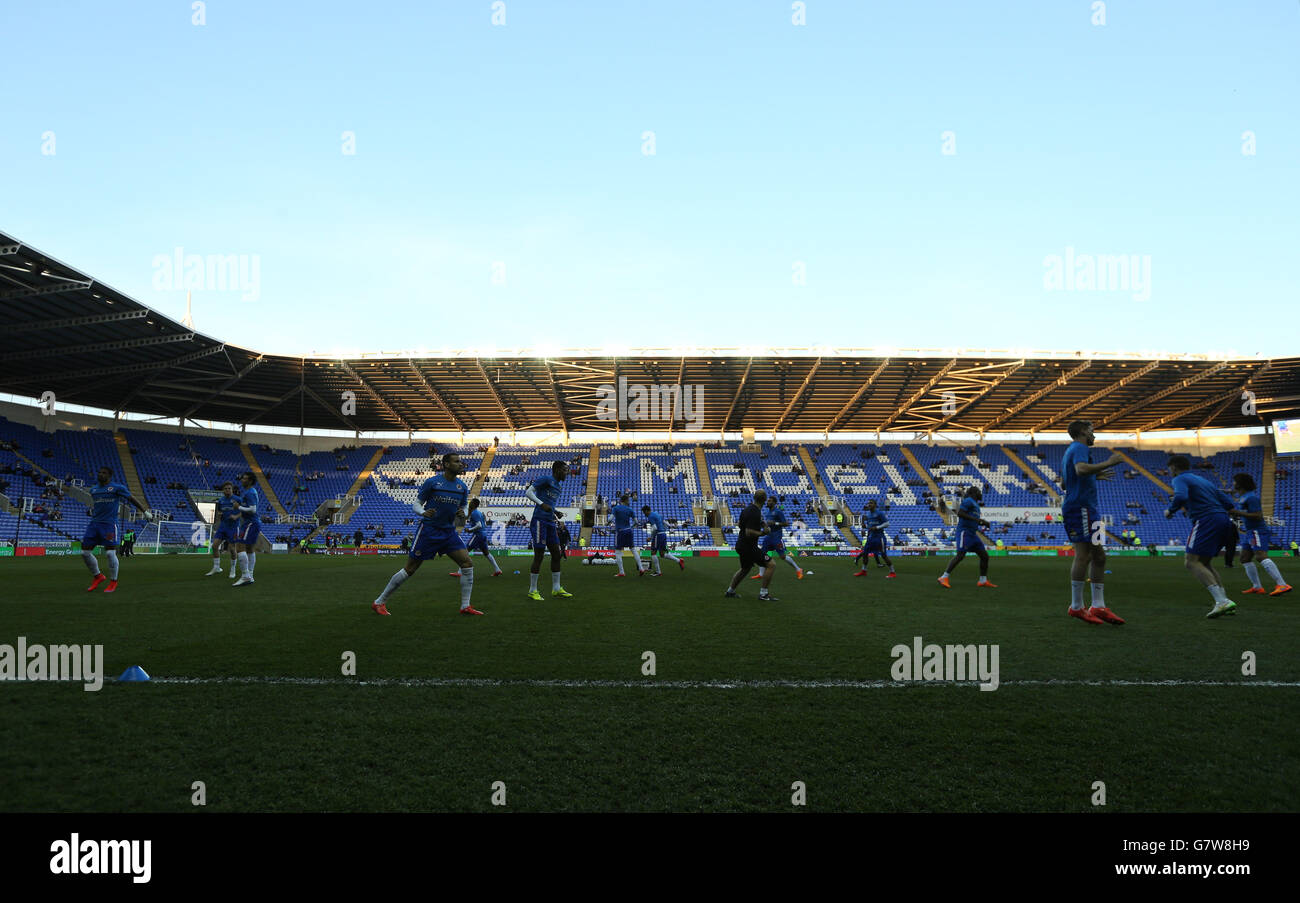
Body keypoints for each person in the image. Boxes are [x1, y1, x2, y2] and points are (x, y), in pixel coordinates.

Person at [371, 453, 483, 616]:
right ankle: (379, 602)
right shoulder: (432, 482)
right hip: (429, 531)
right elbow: (416, 504)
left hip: (448, 532)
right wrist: (423, 512)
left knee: (466, 563)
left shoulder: (462, 487)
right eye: (456, 461)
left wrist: (463, 512)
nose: (461, 464)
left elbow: (465, 506)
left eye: (460, 461)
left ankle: (465, 606)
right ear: (446, 464)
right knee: (410, 569)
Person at [1060, 419, 1125, 625]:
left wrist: (1094, 476)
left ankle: (1098, 606)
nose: (1094, 435)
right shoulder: (1079, 447)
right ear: (1082, 432)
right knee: (1084, 554)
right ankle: (1077, 607)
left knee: (1099, 555)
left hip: (1089, 509)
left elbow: (1065, 482)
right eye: (1092, 431)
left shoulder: (1071, 450)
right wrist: (1108, 462)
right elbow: (1080, 470)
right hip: (1081, 508)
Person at [1165, 455, 1239, 618]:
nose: (1170, 472)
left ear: (1174, 468)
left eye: (1170, 469)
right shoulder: (1204, 480)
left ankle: (1222, 602)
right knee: (1204, 562)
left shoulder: (1179, 479)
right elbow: (1228, 503)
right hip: (1223, 520)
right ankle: (1225, 600)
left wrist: (1170, 510)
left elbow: (1181, 496)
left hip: (1206, 519)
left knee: (1191, 562)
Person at [79, 467, 152, 593]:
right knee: (85, 553)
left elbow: (131, 498)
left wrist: (144, 511)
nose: (101, 474)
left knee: (110, 553)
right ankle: (98, 576)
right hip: (94, 524)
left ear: (110, 476)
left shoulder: (117, 488)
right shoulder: (94, 490)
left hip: (109, 525)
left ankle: (113, 581)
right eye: (99, 472)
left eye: (104, 473)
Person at [1230, 473, 1291, 596]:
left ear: (1241, 484)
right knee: (1244, 558)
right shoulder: (1244, 497)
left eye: (1235, 481)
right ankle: (1257, 587)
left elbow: (1258, 515)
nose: (1233, 483)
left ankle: (1282, 584)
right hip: (1250, 531)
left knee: (1260, 556)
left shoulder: (1251, 498)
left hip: (1257, 530)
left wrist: (1238, 512)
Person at [524, 460, 572, 600]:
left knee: (556, 555)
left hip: (550, 521)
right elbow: (528, 492)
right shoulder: (546, 479)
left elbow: (549, 504)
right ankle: (533, 590)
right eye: (565, 470)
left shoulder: (558, 486)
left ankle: (556, 588)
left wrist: (555, 511)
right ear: (557, 470)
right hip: (539, 520)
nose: (567, 473)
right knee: (539, 555)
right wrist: (541, 503)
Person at [725, 490, 778, 601]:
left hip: (741, 544)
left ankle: (730, 591)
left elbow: (741, 524)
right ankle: (763, 594)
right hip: (748, 546)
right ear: (764, 499)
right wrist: (763, 533)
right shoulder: (755, 512)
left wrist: (762, 523)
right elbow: (749, 532)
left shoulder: (748, 509)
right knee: (771, 564)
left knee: (745, 569)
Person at [937, 487, 995, 588]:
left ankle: (983, 580)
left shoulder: (975, 504)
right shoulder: (969, 501)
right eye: (979, 492)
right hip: (965, 532)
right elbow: (960, 513)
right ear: (974, 493)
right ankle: (944, 577)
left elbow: (973, 518)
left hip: (973, 534)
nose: (981, 494)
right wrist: (979, 520)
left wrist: (981, 521)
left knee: (984, 556)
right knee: (960, 555)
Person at [752, 496, 804, 579]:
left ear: (774, 503)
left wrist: (775, 523)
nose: (767, 502)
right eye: (768, 501)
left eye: (770, 501)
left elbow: (786, 523)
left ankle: (798, 569)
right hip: (768, 537)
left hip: (777, 537)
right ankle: (761, 574)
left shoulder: (778, 512)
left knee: (782, 556)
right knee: (761, 555)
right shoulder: (767, 512)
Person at [449, 497, 503, 578]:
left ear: (474, 504)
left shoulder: (474, 513)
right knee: (486, 553)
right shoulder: (478, 513)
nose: (469, 503)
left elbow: (479, 525)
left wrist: (470, 529)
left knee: (465, 551)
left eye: (471, 502)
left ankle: (460, 572)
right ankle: (497, 569)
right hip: (483, 534)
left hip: (478, 534)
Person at [230, 472, 263, 587]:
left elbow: (253, 510)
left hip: (251, 523)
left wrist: (238, 507)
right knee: (249, 548)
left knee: (239, 546)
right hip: (252, 523)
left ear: (250, 481)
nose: (242, 480)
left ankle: (245, 576)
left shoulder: (250, 492)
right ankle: (250, 575)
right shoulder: (249, 492)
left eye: (244, 478)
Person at [206, 481, 240, 576]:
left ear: (232, 490)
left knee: (232, 549)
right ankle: (216, 567)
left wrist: (236, 517)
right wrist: (218, 517)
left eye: (229, 488)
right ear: (223, 490)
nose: (227, 490)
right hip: (223, 527)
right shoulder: (221, 501)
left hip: (233, 527)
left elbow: (244, 511)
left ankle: (233, 569)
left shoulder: (237, 499)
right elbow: (220, 512)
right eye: (225, 489)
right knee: (214, 546)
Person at [853, 499, 894, 578]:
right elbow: (870, 526)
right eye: (869, 503)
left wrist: (877, 527)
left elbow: (887, 524)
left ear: (875, 505)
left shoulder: (879, 513)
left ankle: (892, 572)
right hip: (871, 537)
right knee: (865, 553)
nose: (869, 504)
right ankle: (863, 571)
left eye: (871, 503)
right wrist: (865, 526)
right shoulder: (868, 515)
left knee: (883, 555)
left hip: (879, 537)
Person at [642, 505, 684, 576]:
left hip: (658, 535)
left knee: (653, 552)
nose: (644, 514)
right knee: (662, 554)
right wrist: (670, 526)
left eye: (644, 512)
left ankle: (658, 572)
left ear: (646, 511)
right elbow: (664, 522)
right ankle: (679, 560)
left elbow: (655, 528)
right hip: (663, 534)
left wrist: (651, 537)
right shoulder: (656, 513)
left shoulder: (650, 516)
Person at [608, 494, 643, 577]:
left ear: (621, 501)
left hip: (620, 531)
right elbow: (636, 522)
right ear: (626, 501)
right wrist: (631, 527)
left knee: (618, 551)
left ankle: (621, 572)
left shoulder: (616, 508)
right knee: (633, 550)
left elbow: (610, 518)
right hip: (629, 531)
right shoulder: (630, 510)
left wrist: (608, 522)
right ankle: (641, 568)